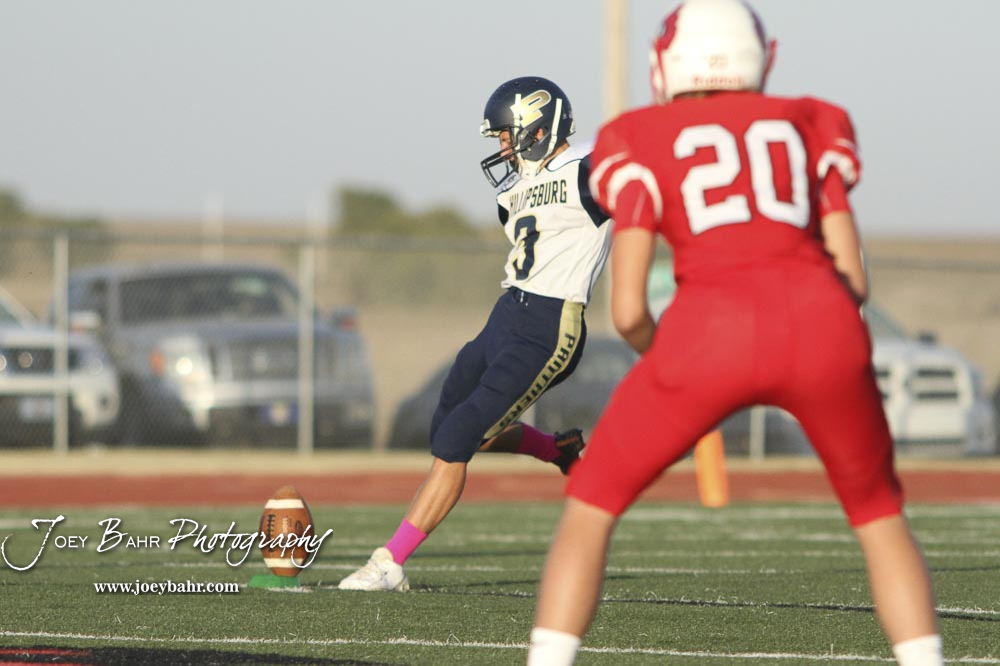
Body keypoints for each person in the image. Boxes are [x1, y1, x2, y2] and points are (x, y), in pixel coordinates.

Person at [527, 2, 943, 665]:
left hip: (706, 330)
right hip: (820, 323)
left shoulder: (638, 135)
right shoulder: (811, 121)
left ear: (667, 64)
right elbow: (853, 279)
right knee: (878, 514)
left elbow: (628, 311)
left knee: (592, 503)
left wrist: (673, 367)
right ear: (761, 57)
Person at [339, 76, 613, 592]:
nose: (503, 146)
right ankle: (557, 450)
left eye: (507, 134)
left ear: (537, 128)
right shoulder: (512, 191)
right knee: (447, 419)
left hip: (550, 325)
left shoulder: (590, 170)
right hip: (507, 312)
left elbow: (640, 178)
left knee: (460, 435)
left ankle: (390, 561)